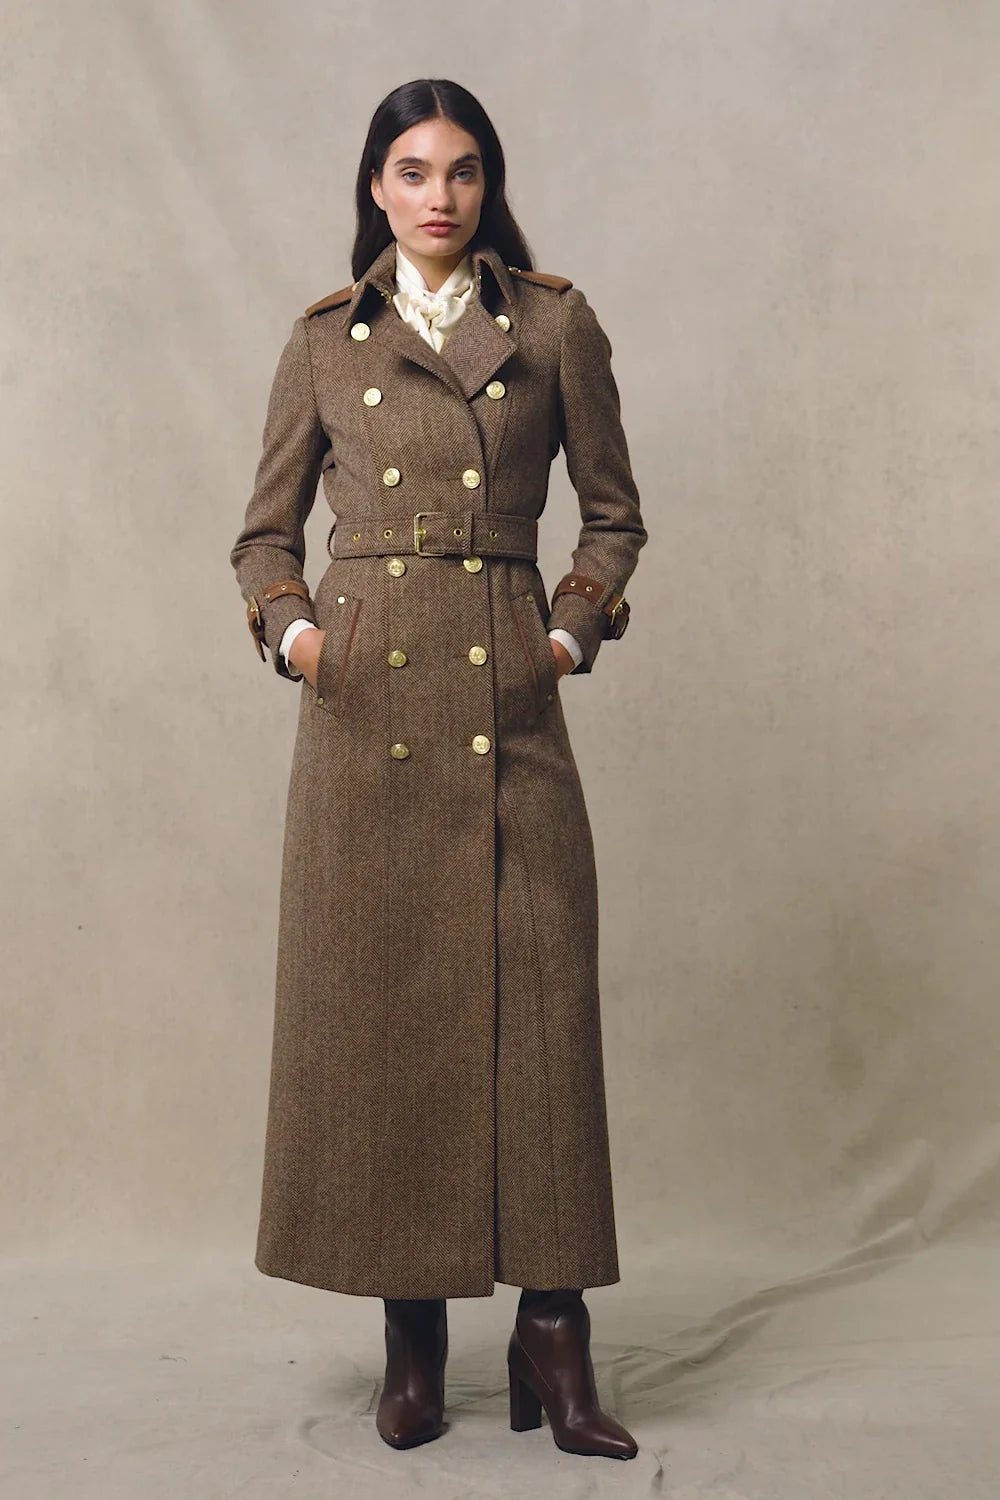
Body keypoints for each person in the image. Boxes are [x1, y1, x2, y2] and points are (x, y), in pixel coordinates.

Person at [230, 78, 648, 1461]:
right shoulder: (324, 340)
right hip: (363, 722)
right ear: (377, 186)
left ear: (488, 184)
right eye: (412, 171)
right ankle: (411, 1340)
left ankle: (554, 1336)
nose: (440, 195)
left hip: (507, 702)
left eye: (463, 171)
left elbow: (614, 515)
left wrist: (567, 636)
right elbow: (264, 535)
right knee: (386, 1029)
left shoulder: (553, 325)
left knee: (544, 1027)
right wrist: (300, 637)